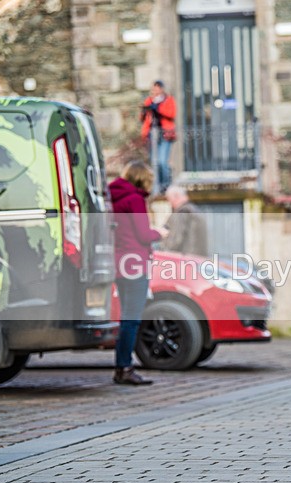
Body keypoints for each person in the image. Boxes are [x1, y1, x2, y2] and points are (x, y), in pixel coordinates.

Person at [109, 161, 168, 385]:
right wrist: (159, 233)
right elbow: (143, 235)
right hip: (135, 265)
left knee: (126, 317)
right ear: (143, 178)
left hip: (120, 263)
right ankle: (124, 368)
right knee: (131, 320)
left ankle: (121, 367)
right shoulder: (135, 200)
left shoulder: (113, 198)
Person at [140, 80, 177, 193]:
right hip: (152, 135)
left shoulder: (168, 100)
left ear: (161, 89)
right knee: (154, 161)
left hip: (165, 134)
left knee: (162, 162)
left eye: (157, 88)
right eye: (153, 88)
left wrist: (158, 109)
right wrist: (145, 110)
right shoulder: (149, 101)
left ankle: (165, 185)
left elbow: (171, 114)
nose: (155, 91)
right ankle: (155, 186)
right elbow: (142, 118)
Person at [162, 185, 209, 257]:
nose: (169, 203)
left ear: (176, 196)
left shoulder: (180, 213)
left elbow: (174, 241)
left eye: (169, 199)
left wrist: (162, 250)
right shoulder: (195, 211)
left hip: (185, 261)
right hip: (199, 259)